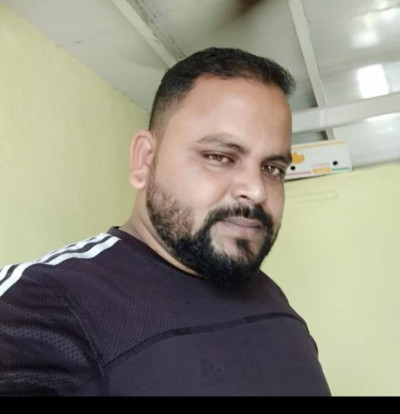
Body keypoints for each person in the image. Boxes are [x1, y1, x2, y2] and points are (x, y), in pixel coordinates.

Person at [0, 47, 331, 396]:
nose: (257, 190)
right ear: (145, 160)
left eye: (272, 168)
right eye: (219, 156)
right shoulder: (41, 303)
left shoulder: (267, 292)